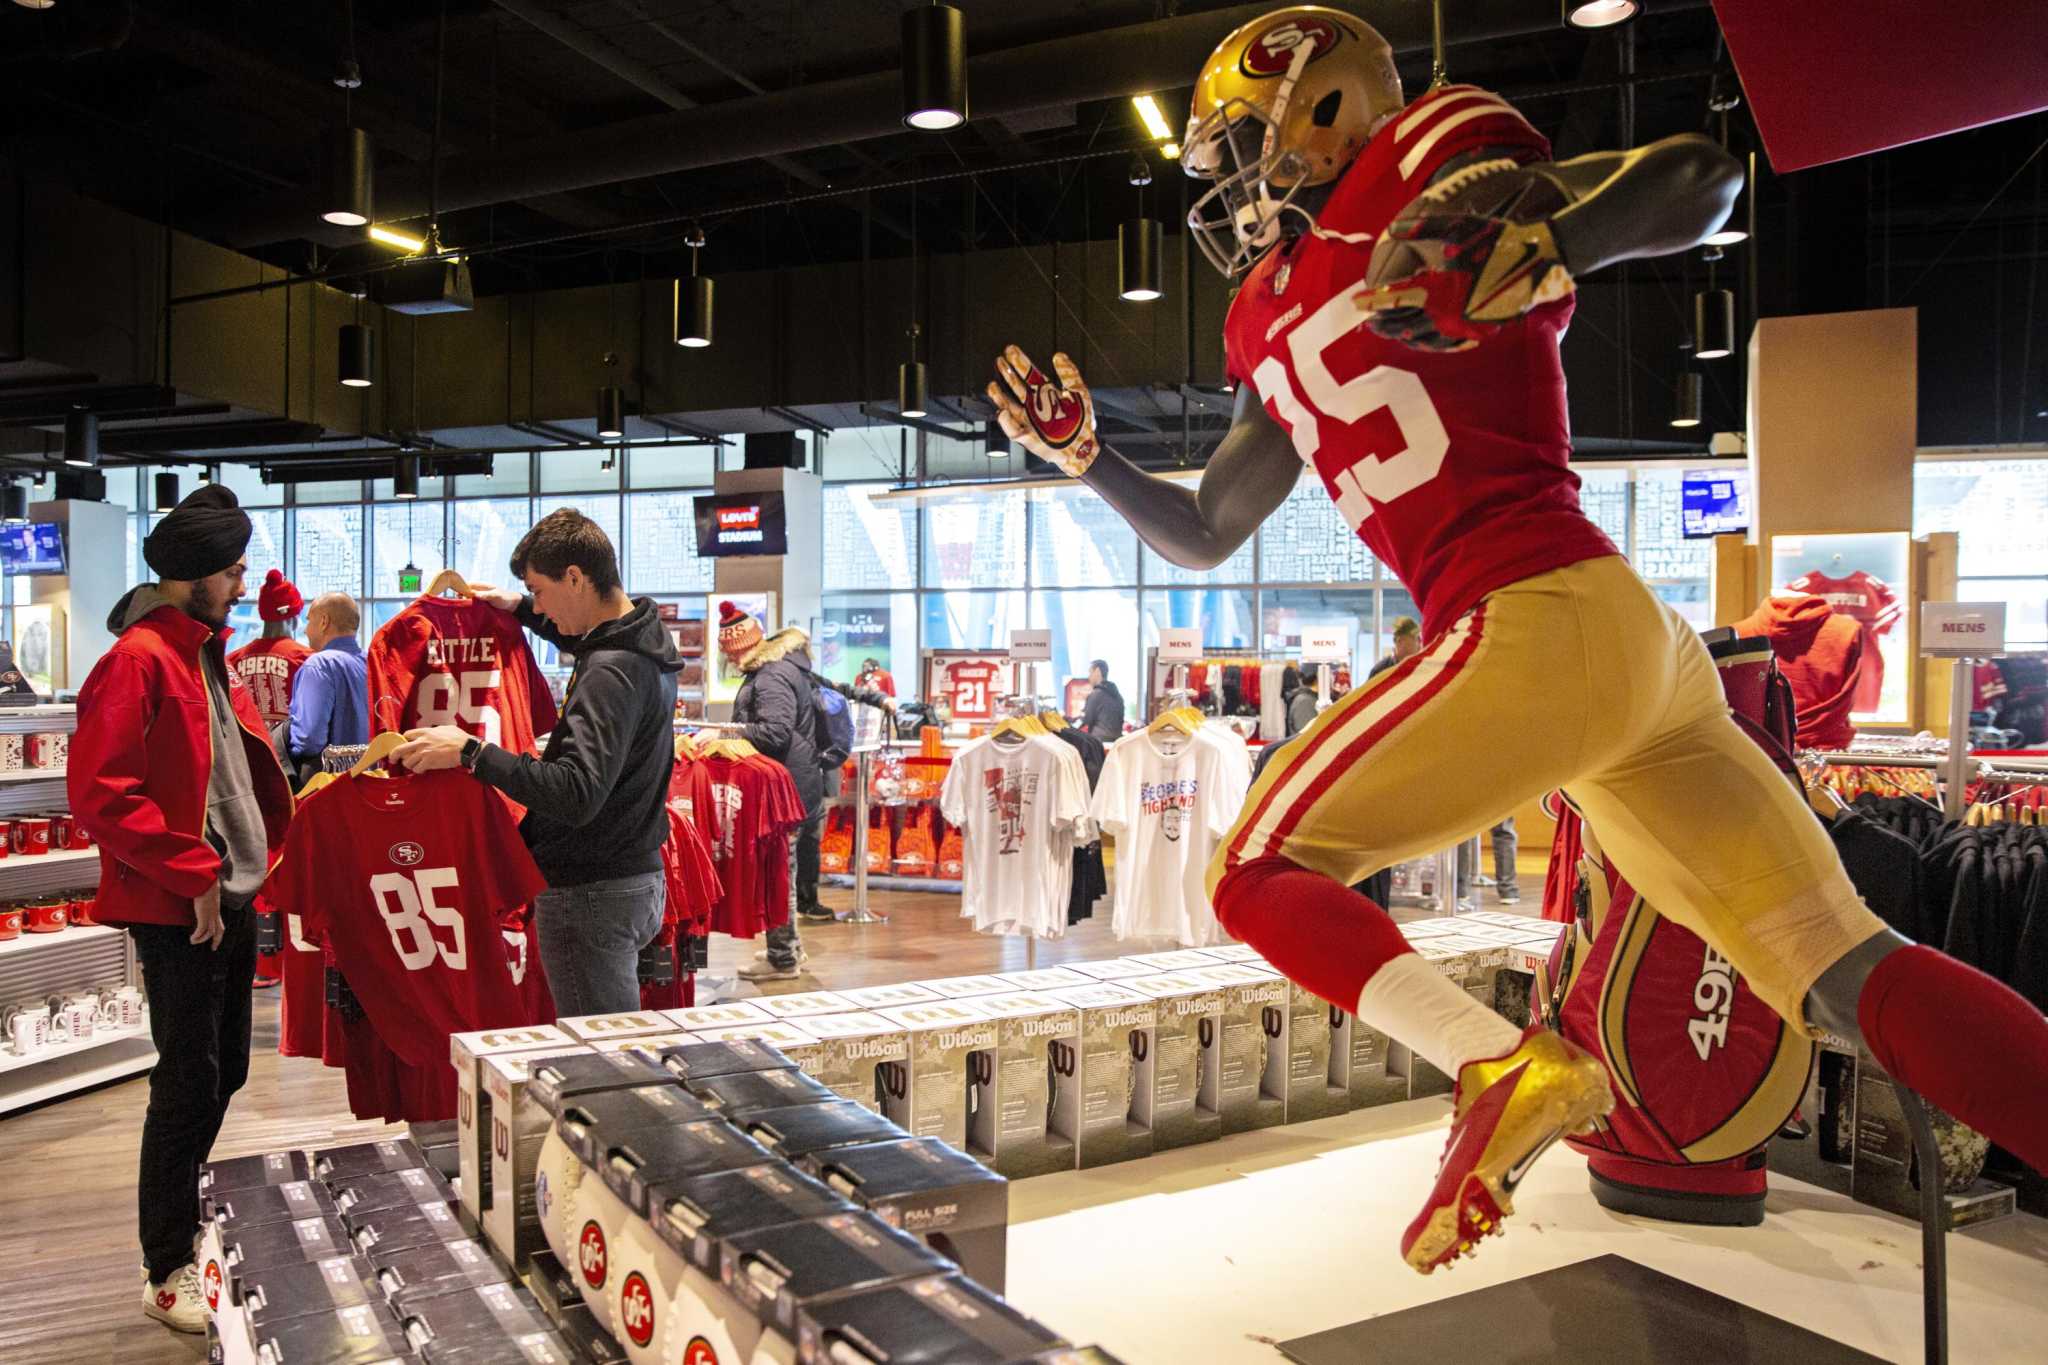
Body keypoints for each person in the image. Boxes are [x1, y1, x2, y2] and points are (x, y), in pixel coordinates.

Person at [989, 6, 2048, 1274]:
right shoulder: (1267, 311)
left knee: (1255, 866)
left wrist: (1542, 237)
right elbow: (1212, 524)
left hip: (1528, 607)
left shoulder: (1429, 166)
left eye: (1237, 143)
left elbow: (1696, 180)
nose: (1226, 178)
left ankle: (1501, 1061)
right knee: (1833, 966)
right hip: (1615, 653)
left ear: (1321, 109)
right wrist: (1089, 457)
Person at [68, 484, 294, 1333]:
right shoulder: (138, 659)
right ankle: (165, 1261)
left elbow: (223, 775)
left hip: (227, 894)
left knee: (223, 1069)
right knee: (185, 1080)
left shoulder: (203, 651)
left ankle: (188, 1214)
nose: (243, 582)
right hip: (179, 904)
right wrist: (192, 869)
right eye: (233, 570)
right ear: (195, 574)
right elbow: (99, 791)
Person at [393, 509, 682, 1016]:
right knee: (612, 1044)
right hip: (632, 876)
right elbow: (590, 641)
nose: (541, 605)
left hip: (590, 889)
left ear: (575, 576)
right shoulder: (640, 643)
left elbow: (575, 793)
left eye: (540, 589)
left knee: (602, 1058)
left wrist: (470, 752)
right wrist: (522, 609)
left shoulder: (609, 672)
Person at [719, 601, 829, 978]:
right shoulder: (781, 670)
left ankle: (782, 958)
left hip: (785, 789)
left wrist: (727, 732)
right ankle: (789, 951)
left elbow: (775, 732)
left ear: (742, 647)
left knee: (779, 872)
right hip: (793, 784)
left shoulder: (769, 676)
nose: (729, 661)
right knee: (784, 869)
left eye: (730, 653)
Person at [285, 593, 370, 786]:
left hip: (328, 788)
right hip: (371, 782)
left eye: (308, 621)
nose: (305, 631)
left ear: (324, 622)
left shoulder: (319, 665)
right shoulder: (372, 663)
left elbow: (309, 739)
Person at [226, 569, 310, 732]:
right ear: (292, 618)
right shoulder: (307, 660)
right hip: (290, 753)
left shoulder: (232, 662)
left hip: (246, 752)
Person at [1079, 658, 1124, 743]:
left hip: (1099, 741)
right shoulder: (1117, 695)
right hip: (1116, 741)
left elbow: (1087, 720)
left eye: (1090, 672)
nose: (1089, 677)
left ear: (1097, 671)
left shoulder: (1096, 694)